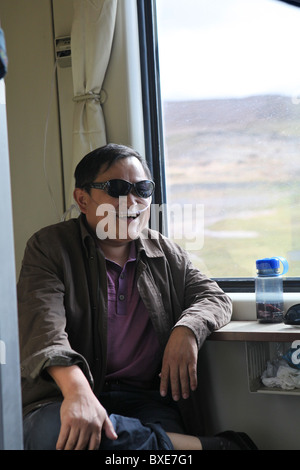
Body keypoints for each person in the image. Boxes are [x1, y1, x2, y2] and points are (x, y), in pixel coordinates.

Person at [18, 143, 256, 450]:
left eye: (142, 189)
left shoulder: (164, 252)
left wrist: (187, 330)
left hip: (146, 401)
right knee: (61, 434)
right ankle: (210, 448)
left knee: (108, 440)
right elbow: (44, 329)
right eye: (116, 188)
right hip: (64, 394)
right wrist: (78, 394)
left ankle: (163, 442)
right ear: (82, 199)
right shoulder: (49, 247)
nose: (132, 201)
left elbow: (214, 298)